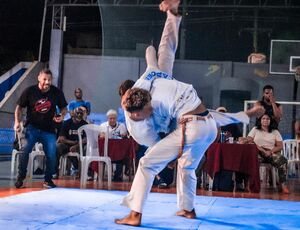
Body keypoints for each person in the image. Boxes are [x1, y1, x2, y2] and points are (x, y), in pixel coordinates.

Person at [115, 0, 264, 226]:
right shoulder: (152, 81)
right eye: (147, 111)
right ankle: (187, 209)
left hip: (192, 127)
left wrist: (168, 158)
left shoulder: (147, 100)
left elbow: (155, 150)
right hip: (206, 127)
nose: (150, 111)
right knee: (188, 166)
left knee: (146, 164)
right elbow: (157, 52)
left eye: (148, 108)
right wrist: (244, 115)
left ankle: (135, 214)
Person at [14, 68, 68, 189]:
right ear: (39, 78)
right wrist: (17, 122)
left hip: (48, 130)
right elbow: (19, 108)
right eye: (44, 79)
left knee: (52, 154)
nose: (47, 82)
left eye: (49, 80)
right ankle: (20, 177)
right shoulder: (30, 91)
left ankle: (48, 180)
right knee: (24, 151)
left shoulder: (57, 92)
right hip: (31, 128)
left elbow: (64, 108)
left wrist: (62, 116)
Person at [247, 113, 289, 194]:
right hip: (257, 152)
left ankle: (283, 185)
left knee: (283, 160)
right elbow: (249, 140)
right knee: (251, 161)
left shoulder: (275, 131)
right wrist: (262, 150)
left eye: (267, 119)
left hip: (270, 152)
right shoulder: (255, 129)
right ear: (260, 120)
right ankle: (250, 185)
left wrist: (270, 151)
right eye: (263, 118)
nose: (265, 120)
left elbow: (280, 146)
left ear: (270, 121)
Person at [56, 107, 88, 177]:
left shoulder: (85, 124)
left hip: (80, 145)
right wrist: (73, 143)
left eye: (81, 114)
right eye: (78, 113)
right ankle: (55, 172)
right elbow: (62, 139)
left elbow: (86, 139)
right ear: (73, 115)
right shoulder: (66, 123)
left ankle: (85, 173)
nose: (79, 115)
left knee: (87, 148)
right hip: (68, 144)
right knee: (58, 147)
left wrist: (76, 146)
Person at [99, 109, 128, 181]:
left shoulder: (121, 126)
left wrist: (124, 135)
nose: (112, 120)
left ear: (116, 118)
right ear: (107, 118)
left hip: (119, 150)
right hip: (106, 150)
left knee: (122, 155)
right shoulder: (103, 125)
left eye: (114, 118)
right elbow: (100, 137)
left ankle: (118, 176)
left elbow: (124, 139)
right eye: (110, 118)